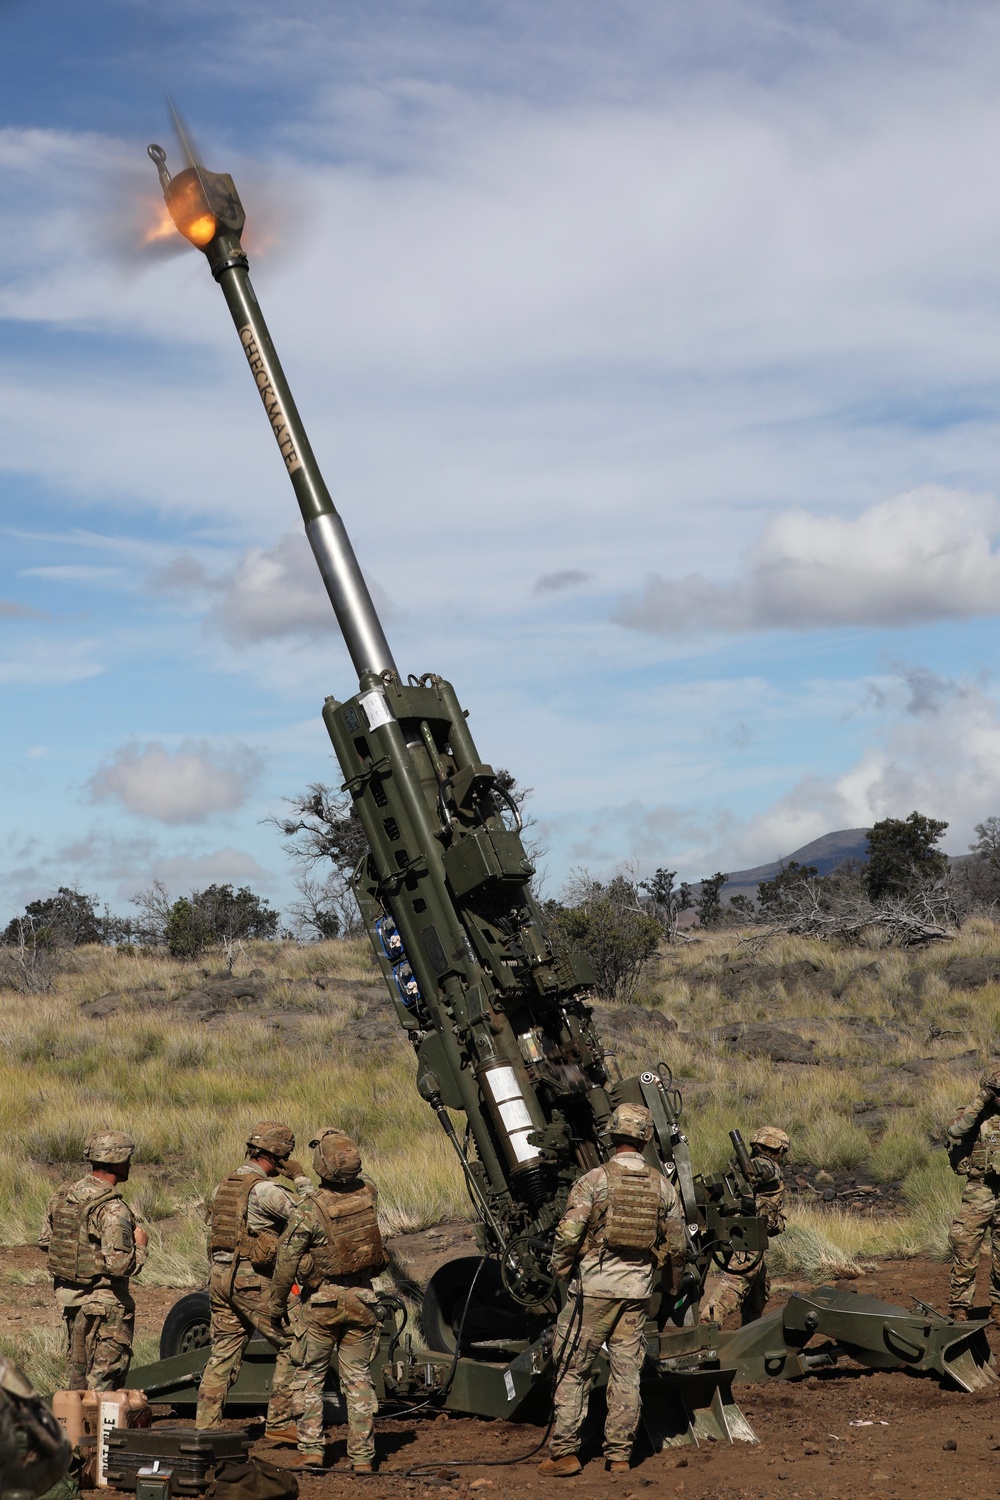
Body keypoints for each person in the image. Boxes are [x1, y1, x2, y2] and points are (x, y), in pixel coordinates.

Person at [538, 1103, 683, 1479]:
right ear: (646, 1137)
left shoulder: (594, 1180)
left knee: (572, 1369)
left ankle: (565, 1453)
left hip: (594, 1292)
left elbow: (569, 1233)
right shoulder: (661, 1185)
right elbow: (678, 1244)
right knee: (626, 1371)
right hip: (636, 1294)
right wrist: (670, 1283)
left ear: (612, 1135)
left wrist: (562, 1269)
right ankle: (619, 1455)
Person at [268, 1129, 389, 1475]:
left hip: (320, 1305)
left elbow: (286, 1262)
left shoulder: (309, 1210)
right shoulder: (369, 1193)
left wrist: (277, 1306)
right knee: (359, 1380)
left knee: (309, 1377)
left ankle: (311, 1450)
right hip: (363, 1300)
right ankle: (363, 1457)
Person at [196, 1121, 313, 1434]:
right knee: (294, 1342)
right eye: (285, 1155)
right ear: (276, 1155)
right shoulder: (265, 1190)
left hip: (219, 1277)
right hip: (251, 1280)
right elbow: (311, 1217)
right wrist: (300, 1178)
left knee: (223, 1352)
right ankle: (281, 1420)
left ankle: (205, 1428)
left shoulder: (225, 1185)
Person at [39, 1130, 148, 1390]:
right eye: (127, 1158)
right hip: (106, 1306)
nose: (129, 1164)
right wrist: (141, 1246)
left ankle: (75, 1428)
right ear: (118, 1161)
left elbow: (45, 1241)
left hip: (72, 1301)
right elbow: (121, 1265)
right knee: (104, 1386)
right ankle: (102, 1431)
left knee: (77, 1383)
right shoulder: (111, 1207)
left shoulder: (64, 1194)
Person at [702, 1126, 789, 1327]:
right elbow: (762, 1169)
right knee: (737, 1282)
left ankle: (751, 1329)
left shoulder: (750, 1166)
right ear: (776, 1149)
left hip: (746, 1232)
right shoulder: (766, 1165)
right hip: (748, 1235)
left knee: (758, 1286)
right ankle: (708, 1325)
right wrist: (755, 1170)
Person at [946, 1067, 1000, 1323]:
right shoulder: (973, 1116)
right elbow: (955, 1131)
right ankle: (960, 1307)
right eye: (996, 1092)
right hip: (979, 1190)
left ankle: (999, 1307)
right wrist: (981, 1100)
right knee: (965, 1249)